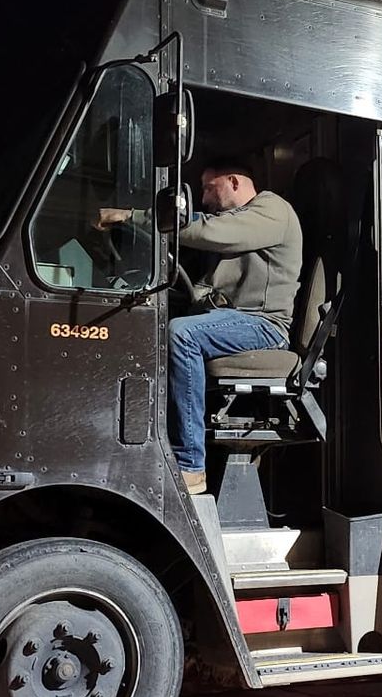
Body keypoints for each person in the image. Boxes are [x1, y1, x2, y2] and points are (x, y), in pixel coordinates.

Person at [101, 161, 301, 494]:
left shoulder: (272, 209)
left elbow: (208, 231)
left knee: (183, 333)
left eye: (209, 188)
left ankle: (190, 465)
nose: (204, 199)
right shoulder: (238, 218)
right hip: (234, 319)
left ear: (234, 181)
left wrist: (133, 217)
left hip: (264, 325)